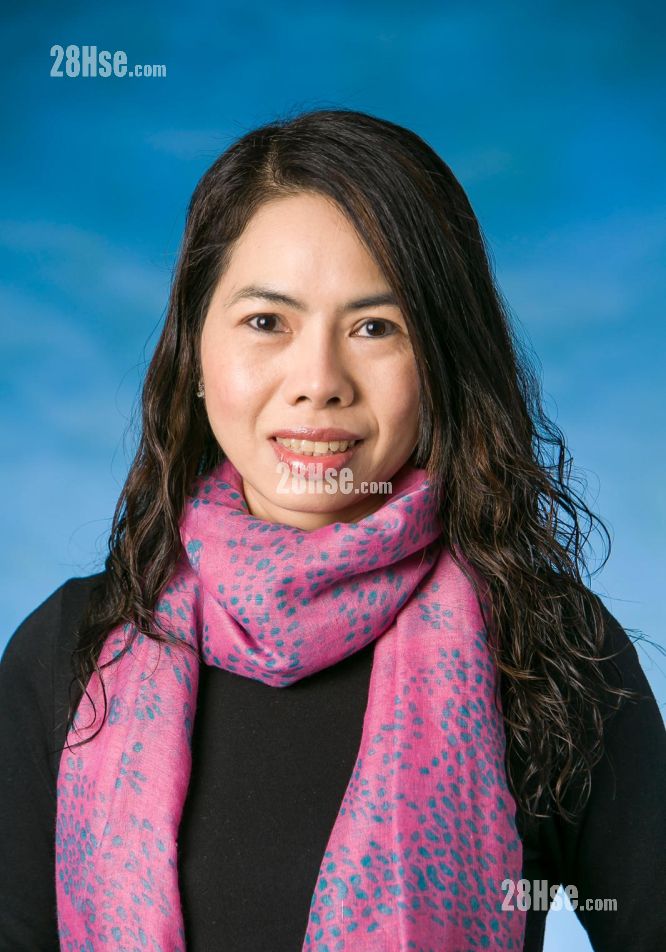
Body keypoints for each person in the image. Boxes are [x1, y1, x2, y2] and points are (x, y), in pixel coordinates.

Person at [1, 107, 664, 952]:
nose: (319, 381)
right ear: (195, 352)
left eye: (375, 327)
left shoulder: (549, 648)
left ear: (441, 363)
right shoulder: (72, 647)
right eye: (267, 322)